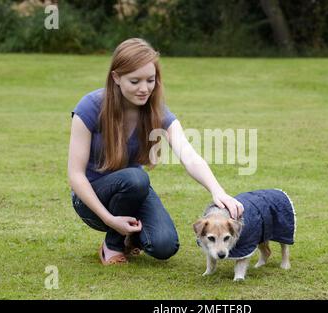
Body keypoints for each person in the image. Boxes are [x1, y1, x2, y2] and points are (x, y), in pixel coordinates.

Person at [67, 38, 244, 265]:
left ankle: (130, 236)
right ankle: (112, 244)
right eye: (135, 81)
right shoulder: (90, 107)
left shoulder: (156, 110)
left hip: (133, 190)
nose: (144, 89)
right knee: (136, 177)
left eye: (150, 80)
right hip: (91, 198)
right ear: (116, 78)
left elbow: (188, 154)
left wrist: (217, 190)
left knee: (164, 245)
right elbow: (76, 175)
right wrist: (109, 220)